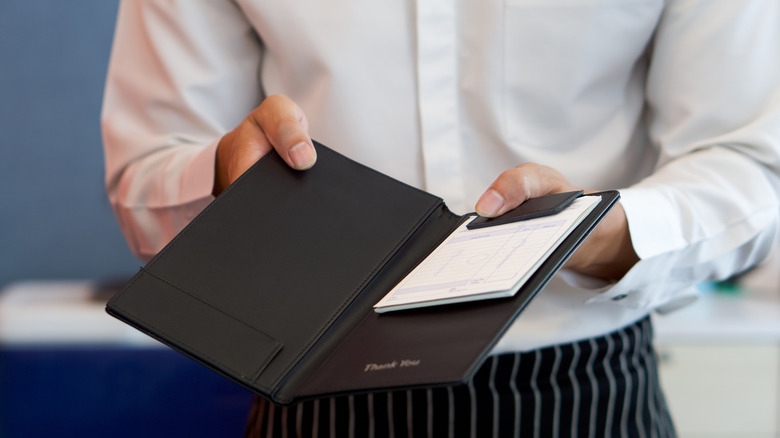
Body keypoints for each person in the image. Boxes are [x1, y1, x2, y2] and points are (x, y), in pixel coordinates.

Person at [101, 1, 780, 436]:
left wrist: (600, 233)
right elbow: (146, 174)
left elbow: (750, 163)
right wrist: (229, 180)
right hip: (312, 389)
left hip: (585, 389)